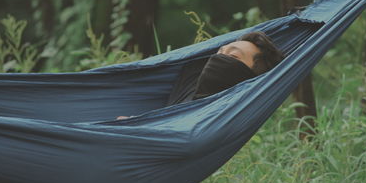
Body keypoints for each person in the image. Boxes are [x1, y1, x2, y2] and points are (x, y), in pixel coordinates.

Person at [117, 31, 283, 120]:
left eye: (232, 57)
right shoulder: (187, 83)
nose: (217, 58)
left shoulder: (221, 119)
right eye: (219, 52)